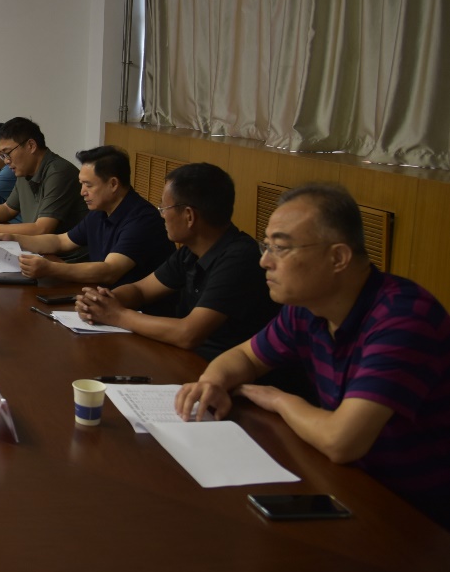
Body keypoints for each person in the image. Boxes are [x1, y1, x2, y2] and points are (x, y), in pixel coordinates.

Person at [175, 184, 450, 528]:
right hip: (348, 487)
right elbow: (244, 357)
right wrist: (213, 382)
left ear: (338, 258)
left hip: (416, 519)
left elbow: (341, 441)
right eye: (266, 245)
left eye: (281, 247)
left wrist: (279, 400)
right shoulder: (307, 308)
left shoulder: (404, 317)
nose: (264, 261)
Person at [74, 162, 278, 359]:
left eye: (164, 208)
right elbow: (141, 290)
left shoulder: (240, 258)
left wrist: (117, 315)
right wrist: (103, 302)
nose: (161, 215)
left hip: (224, 371)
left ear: (189, 216)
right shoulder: (190, 251)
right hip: (188, 360)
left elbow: (188, 333)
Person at [1, 145, 173, 287]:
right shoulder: (100, 211)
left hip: (140, 310)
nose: (82, 192)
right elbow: (61, 241)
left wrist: (50, 268)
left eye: (88, 185)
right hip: (104, 298)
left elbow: (110, 271)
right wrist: (13, 238)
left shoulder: (143, 220)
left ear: (113, 184)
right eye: (81, 184)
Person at [0, 117, 88, 247]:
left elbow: (42, 228)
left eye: (8, 153)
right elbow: (7, 209)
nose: (6, 160)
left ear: (31, 145)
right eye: (3, 155)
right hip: (35, 248)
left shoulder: (58, 172)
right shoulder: (23, 170)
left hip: (64, 258)